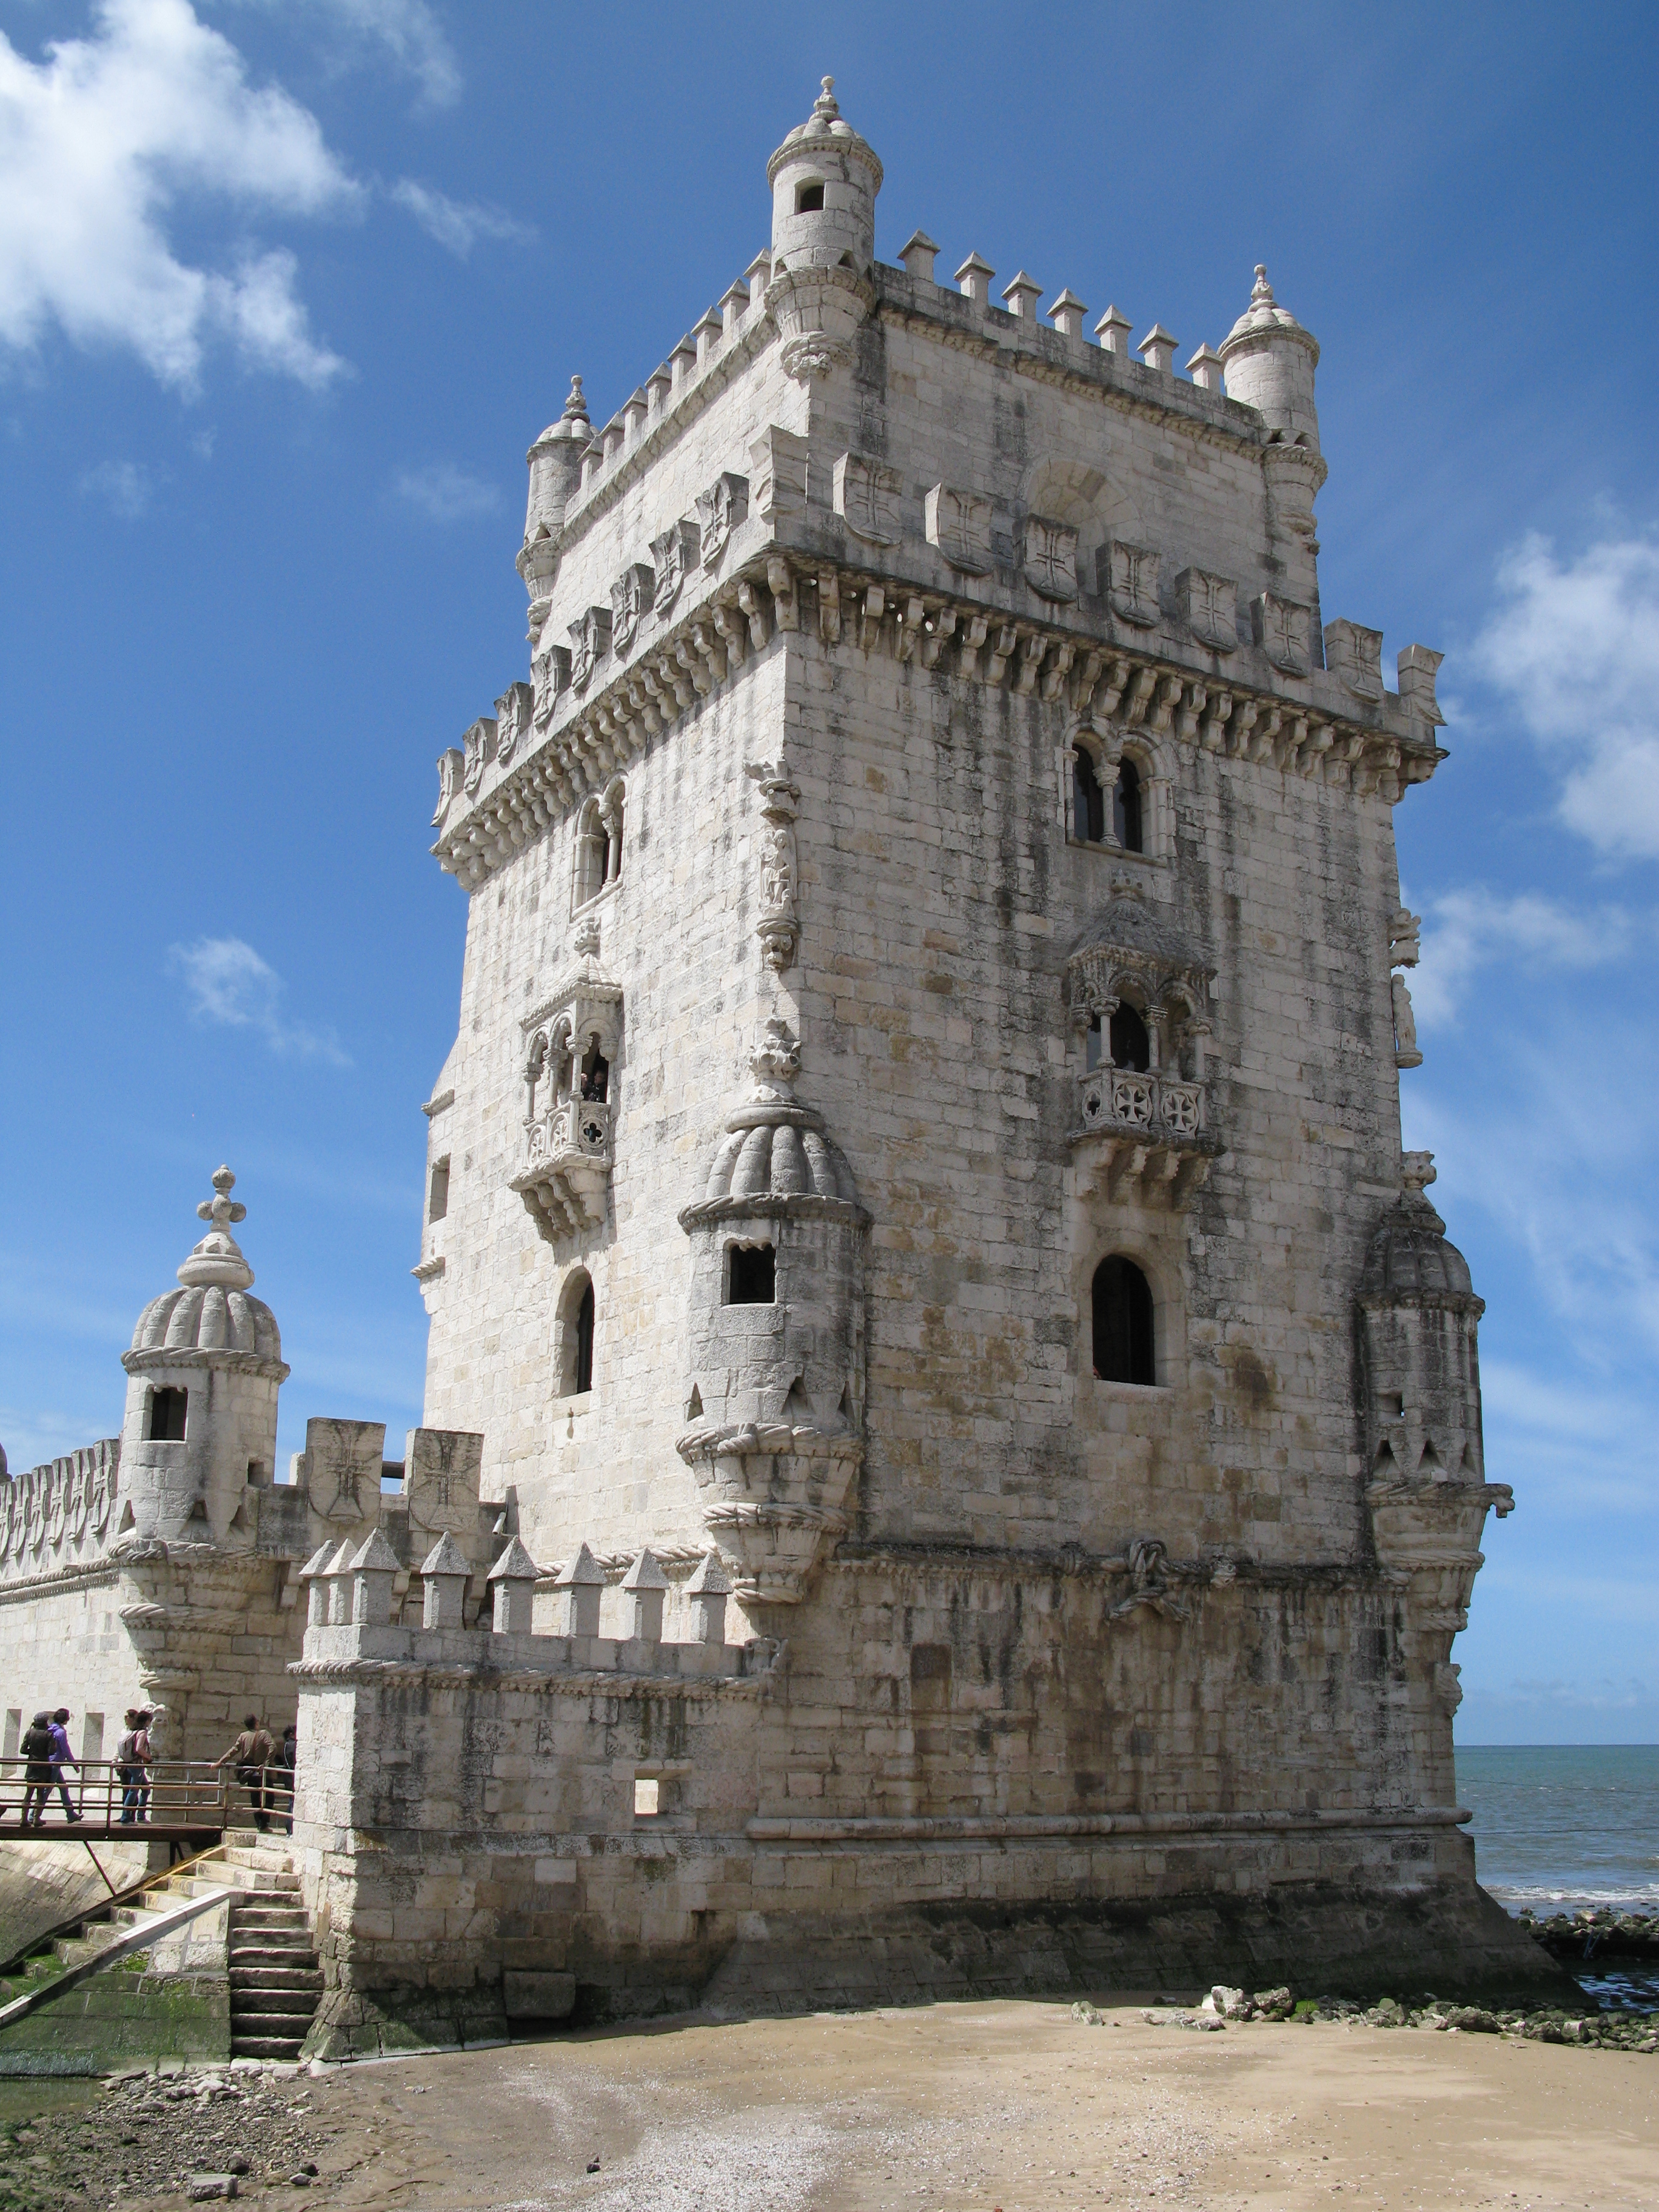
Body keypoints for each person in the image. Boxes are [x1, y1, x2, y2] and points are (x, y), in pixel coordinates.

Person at [214, 1715, 275, 1832]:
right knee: (269, 1796)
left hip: (249, 1771)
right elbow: (273, 1747)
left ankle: (259, 1823)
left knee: (255, 1797)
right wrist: (266, 1764)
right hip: (262, 1772)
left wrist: (220, 1762)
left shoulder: (243, 1736)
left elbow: (233, 1750)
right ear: (256, 1724)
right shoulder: (264, 1734)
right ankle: (264, 1823)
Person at [18, 1712, 55, 1827]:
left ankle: (24, 1819)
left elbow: (23, 1750)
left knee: (28, 1793)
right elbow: (51, 1751)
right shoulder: (49, 1734)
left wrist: (33, 1752)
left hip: (32, 1767)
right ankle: (36, 1818)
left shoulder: (30, 1733)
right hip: (43, 1767)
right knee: (40, 1794)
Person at [47, 1709, 81, 1823]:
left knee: (63, 1788)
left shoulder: (51, 1729)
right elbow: (65, 1749)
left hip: (52, 1762)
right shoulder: (61, 1732)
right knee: (47, 1790)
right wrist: (74, 1764)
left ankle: (71, 1814)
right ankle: (33, 1815)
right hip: (56, 1763)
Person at [116, 1708, 149, 1824]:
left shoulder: (133, 1731)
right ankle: (127, 1817)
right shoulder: (142, 1732)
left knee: (145, 1789)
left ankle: (139, 1815)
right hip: (137, 1766)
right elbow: (138, 1748)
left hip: (130, 1764)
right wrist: (148, 1757)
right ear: (146, 1721)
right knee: (133, 1791)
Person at [271, 1723, 297, 1835]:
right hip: (292, 1778)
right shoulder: (293, 1745)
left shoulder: (287, 1745)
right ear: (291, 1734)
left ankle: (289, 1829)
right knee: (292, 1803)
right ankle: (290, 1829)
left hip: (289, 1778)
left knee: (292, 1802)